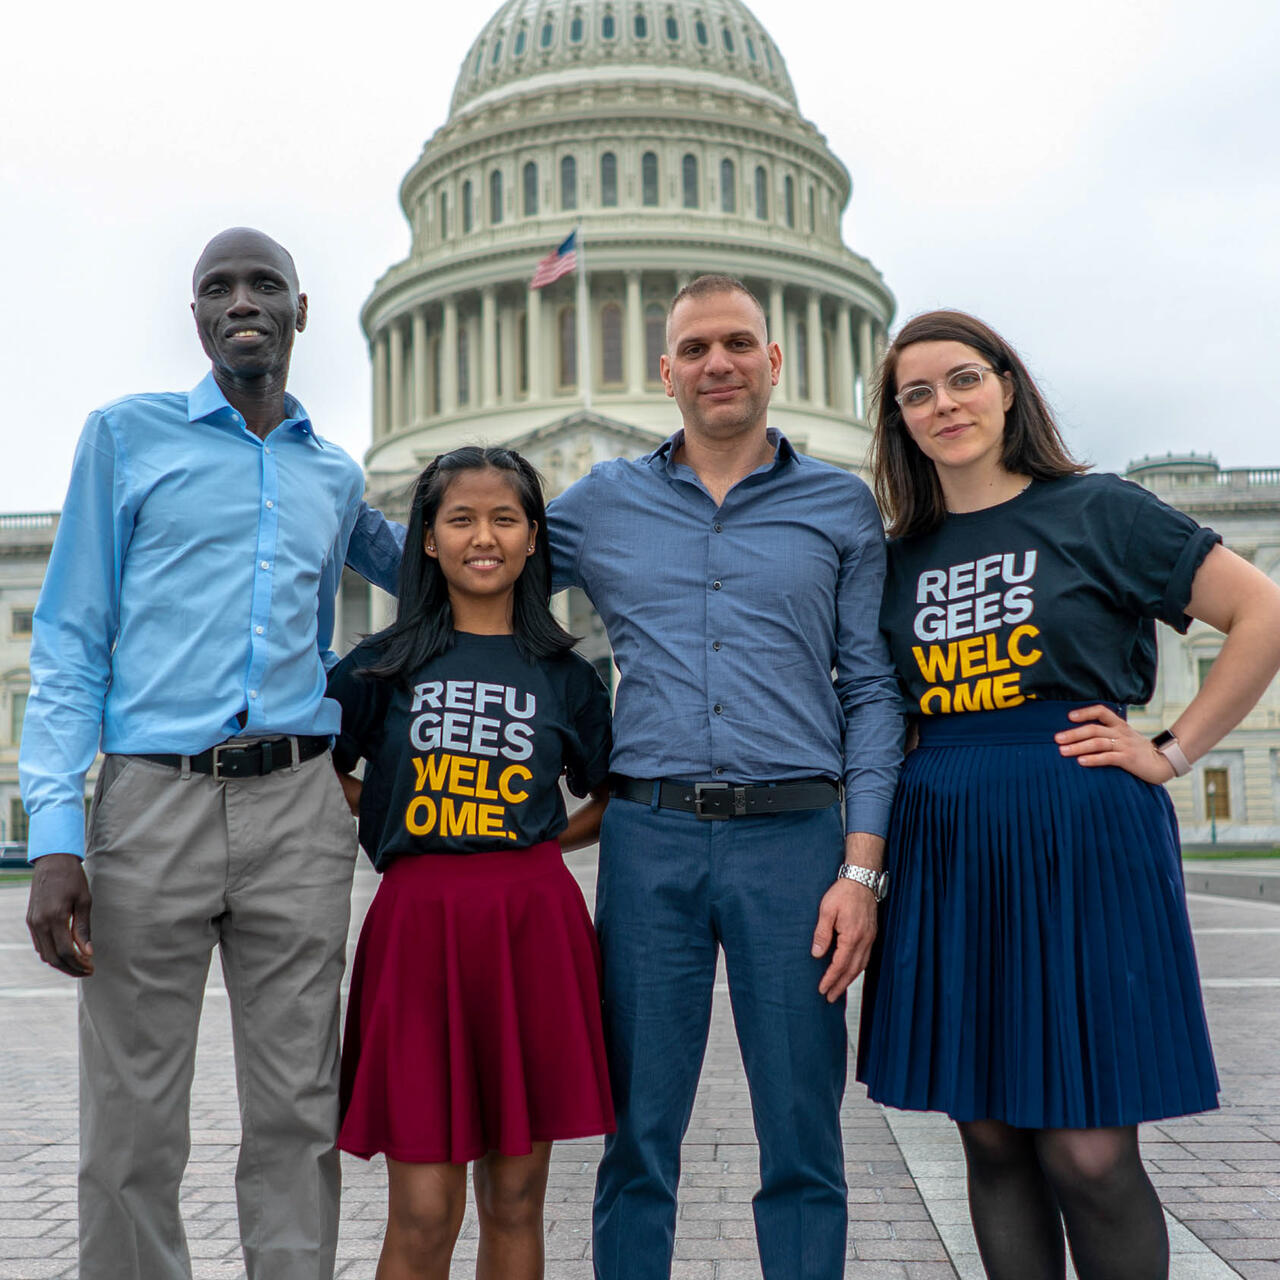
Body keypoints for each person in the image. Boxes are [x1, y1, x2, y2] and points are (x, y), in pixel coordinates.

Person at [857, 309, 1280, 1280]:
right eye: (914, 394)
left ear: (1006, 384)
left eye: (960, 379)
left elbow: (1256, 612)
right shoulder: (894, 554)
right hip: (950, 838)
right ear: (898, 420)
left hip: (1079, 828)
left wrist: (1171, 748)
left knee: (1088, 1148)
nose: (941, 405)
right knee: (993, 1139)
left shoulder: (1098, 510)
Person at [20, 227, 405, 1280]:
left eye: (263, 283)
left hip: (295, 808)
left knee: (297, 1109)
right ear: (196, 317)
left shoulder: (332, 473)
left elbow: (444, 574)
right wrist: (55, 833)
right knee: (132, 1121)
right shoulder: (125, 438)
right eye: (217, 287)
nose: (242, 300)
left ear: (300, 310)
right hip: (153, 800)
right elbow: (67, 639)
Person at [548, 275, 904, 1280]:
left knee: (802, 1138)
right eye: (696, 347)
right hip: (649, 834)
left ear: (771, 359)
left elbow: (872, 689)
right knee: (635, 1135)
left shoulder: (837, 504)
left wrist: (861, 866)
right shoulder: (598, 504)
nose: (718, 363)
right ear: (664, 371)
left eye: (737, 343)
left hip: (794, 840)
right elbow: (462, 574)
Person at [325, 445, 614, 1280]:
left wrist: (533, 841)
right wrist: (386, 816)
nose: (482, 537)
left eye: (504, 519)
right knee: (422, 1208)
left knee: (517, 1202)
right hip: (418, 927)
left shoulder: (567, 674)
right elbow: (321, 765)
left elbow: (613, 792)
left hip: (531, 924)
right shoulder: (379, 665)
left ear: (534, 539)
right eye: (460, 518)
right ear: (426, 539)